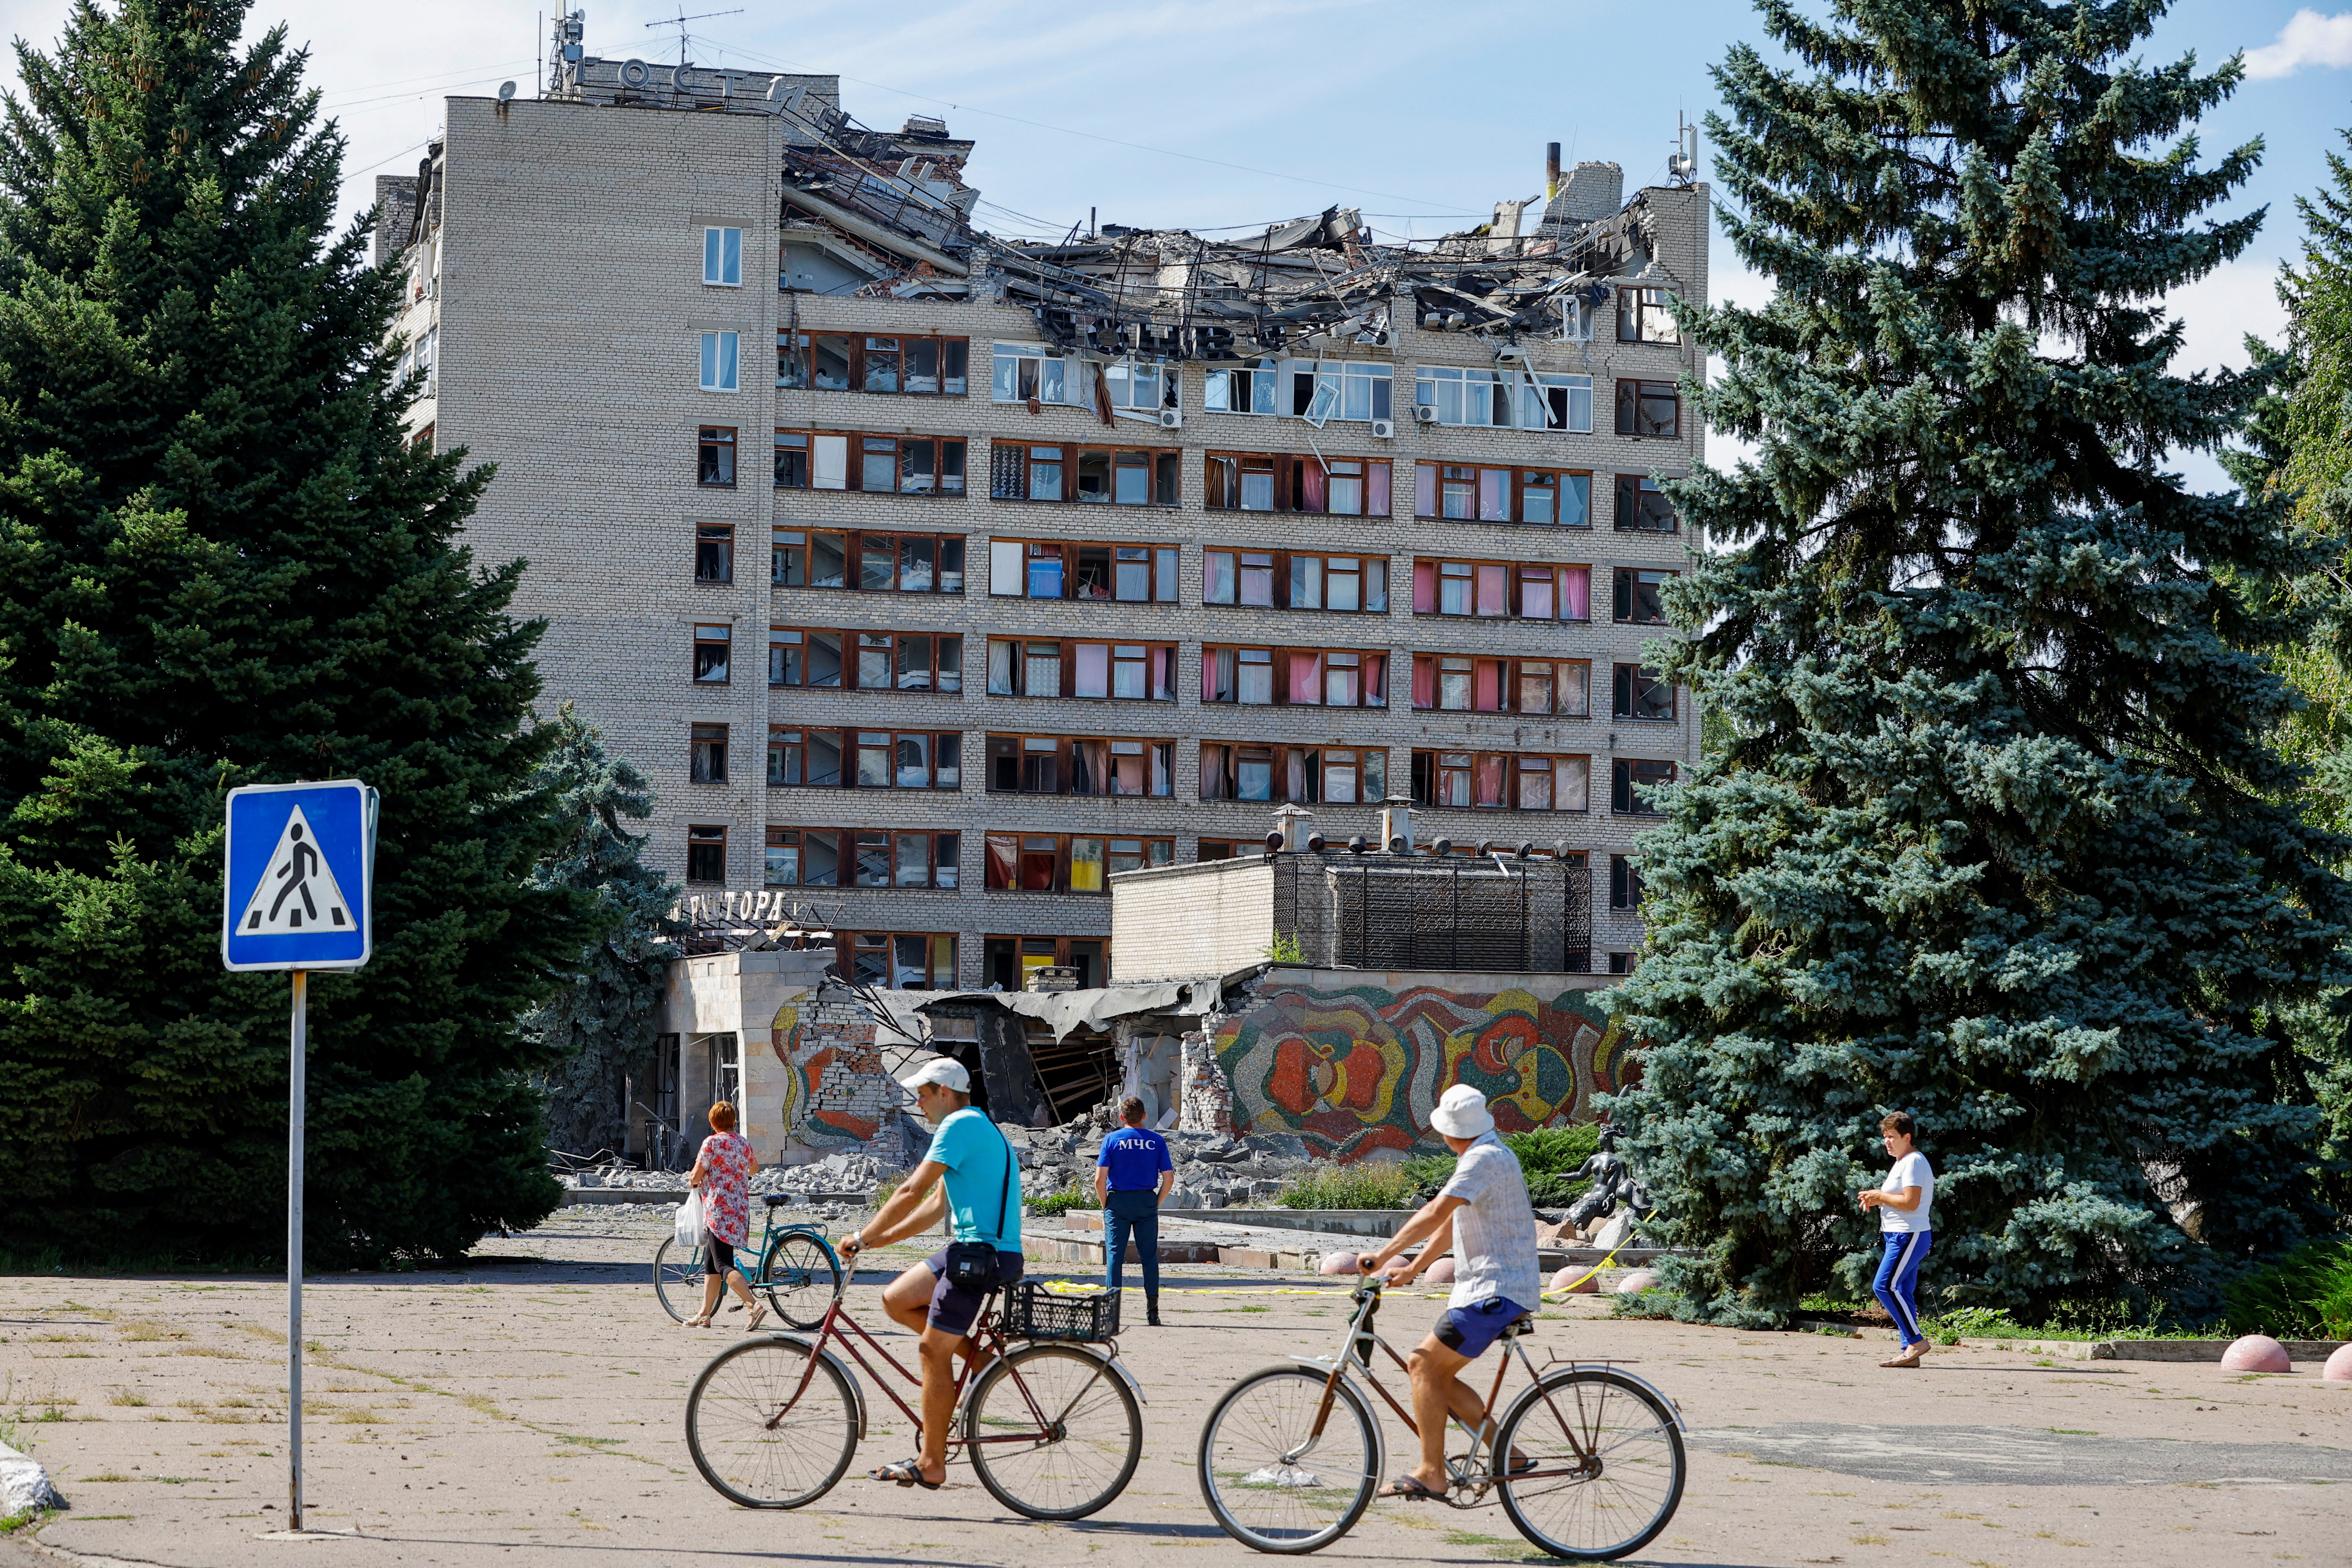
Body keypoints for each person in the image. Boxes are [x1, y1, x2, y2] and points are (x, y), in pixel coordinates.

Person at [839, 1057, 1021, 1491]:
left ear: (945, 1092)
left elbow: (910, 1190)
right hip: (976, 1250)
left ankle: (932, 1462)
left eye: (923, 1095)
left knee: (931, 1351)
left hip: (982, 1255)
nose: (918, 1104)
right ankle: (980, 1361)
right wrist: (877, 1241)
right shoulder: (976, 1126)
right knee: (896, 1299)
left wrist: (863, 1233)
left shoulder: (959, 1125)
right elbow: (936, 1206)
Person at [1358, 1083, 1541, 1499]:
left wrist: (1383, 1255)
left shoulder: (1482, 1159)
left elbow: (1435, 1211)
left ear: (1448, 1132)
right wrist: (1412, 1268)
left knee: (1422, 1365)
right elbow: (1450, 1223)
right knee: (1434, 1372)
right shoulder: (1488, 1154)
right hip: (1497, 1289)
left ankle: (1431, 1472)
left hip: (1494, 1291)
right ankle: (1507, 1454)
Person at [1859, 1110, 1934, 1368]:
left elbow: (1911, 1203)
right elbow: (1898, 1198)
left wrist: (1880, 1196)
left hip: (1908, 1235)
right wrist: (1877, 1198)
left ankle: (1916, 1341)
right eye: (1885, 1137)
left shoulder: (1914, 1161)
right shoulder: (1902, 1162)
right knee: (1902, 1291)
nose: (1887, 1142)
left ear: (1907, 1137)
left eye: (1892, 1136)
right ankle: (1909, 1352)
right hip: (1900, 1235)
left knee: (1884, 1286)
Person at [684, 1100, 765, 1331]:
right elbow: (754, 1168)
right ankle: (704, 1315)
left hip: (719, 1211)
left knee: (722, 1264)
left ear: (713, 1123)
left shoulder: (712, 1143)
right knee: (711, 1263)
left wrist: (693, 1181)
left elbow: (696, 1175)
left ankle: (753, 1305)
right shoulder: (743, 1143)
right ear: (733, 1121)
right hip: (739, 1210)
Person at [1095, 1095, 1175, 1326]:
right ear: (1144, 1116)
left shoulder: (1112, 1139)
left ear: (1122, 1118)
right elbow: (1169, 1178)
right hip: (1146, 1201)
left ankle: (1112, 1314)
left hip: (1118, 1202)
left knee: (1115, 1256)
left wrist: (1106, 1204)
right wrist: (1156, 1202)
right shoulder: (1156, 1141)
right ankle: (1153, 1312)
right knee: (1149, 1257)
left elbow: (1100, 1179)